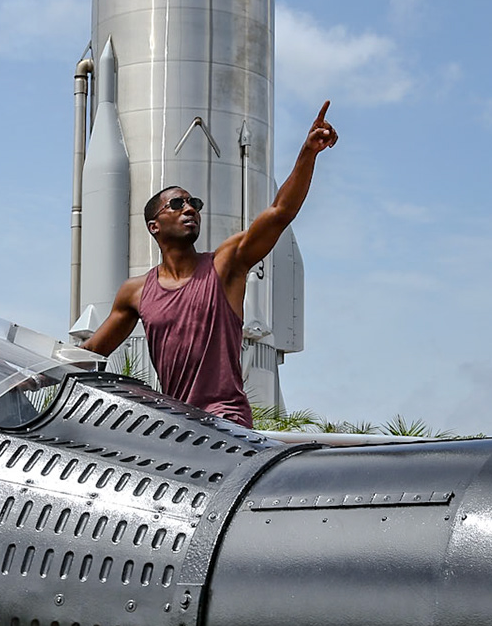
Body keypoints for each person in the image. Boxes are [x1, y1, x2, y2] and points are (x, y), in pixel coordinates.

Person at [82, 101, 338, 426]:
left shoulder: (225, 264)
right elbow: (91, 353)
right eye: (176, 204)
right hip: (177, 426)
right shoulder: (135, 292)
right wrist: (31, 374)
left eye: (194, 203)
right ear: (154, 226)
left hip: (226, 424)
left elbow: (279, 213)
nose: (189, 208)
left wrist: (308, 153)